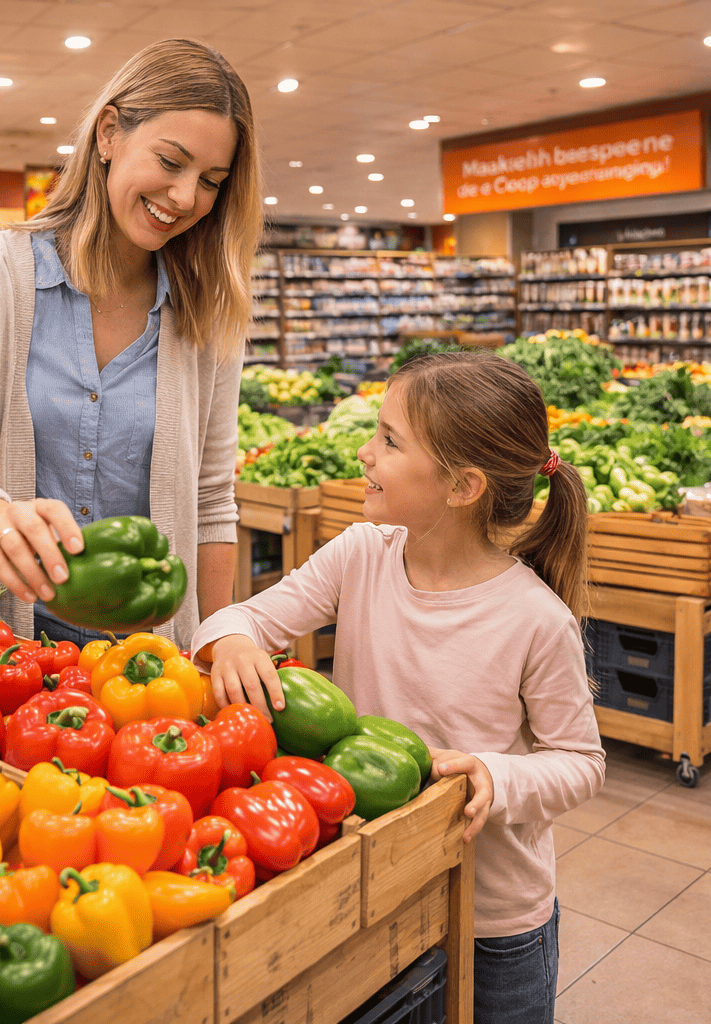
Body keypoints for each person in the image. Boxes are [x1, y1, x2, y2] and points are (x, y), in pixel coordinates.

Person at [192, 351, 605, 1024]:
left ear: (462, 486)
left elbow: (581, 763)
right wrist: (233, 638)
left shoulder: (535, 618)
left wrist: (496, 776)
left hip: (495, 918)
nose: (364, 452)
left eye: (388, 440)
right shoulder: (361, 554)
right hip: (383, 890)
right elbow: (243, 617)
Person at [0, 39, 262, 647]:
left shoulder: (209, 312)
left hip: (148, 657)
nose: (186, 197)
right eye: (171, 161)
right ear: (110, 133)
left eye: (212, 181)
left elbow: (211, 501)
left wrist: (216, 640)